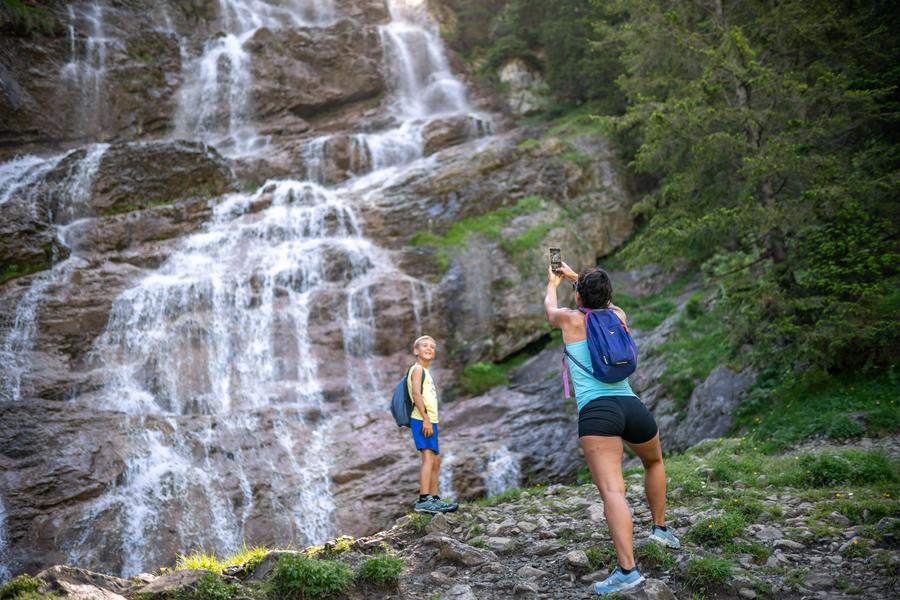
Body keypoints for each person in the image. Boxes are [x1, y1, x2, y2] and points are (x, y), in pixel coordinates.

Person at [544, 262, 680, 595]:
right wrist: (579, 278)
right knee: (655, 462)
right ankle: (660, 529)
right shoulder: (618, 316)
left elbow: (550, 309)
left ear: (577, 295)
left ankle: (628, 571)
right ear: (608, 295)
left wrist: (553, 282)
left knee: (613, 491)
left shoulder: (570, 319)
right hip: (632, 407)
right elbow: (601, 299)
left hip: (597, 413)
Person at [408, 335, 458, 514]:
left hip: (430, 420)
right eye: (424, 346)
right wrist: (426, 418)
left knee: (436, 459)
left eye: (432, 347)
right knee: (428, 458)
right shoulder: (417, 369)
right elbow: (416, 394)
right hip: (422, 419)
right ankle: (424, 500)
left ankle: (435, 498)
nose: (429, 348)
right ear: (416, 351)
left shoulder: (426, 372)